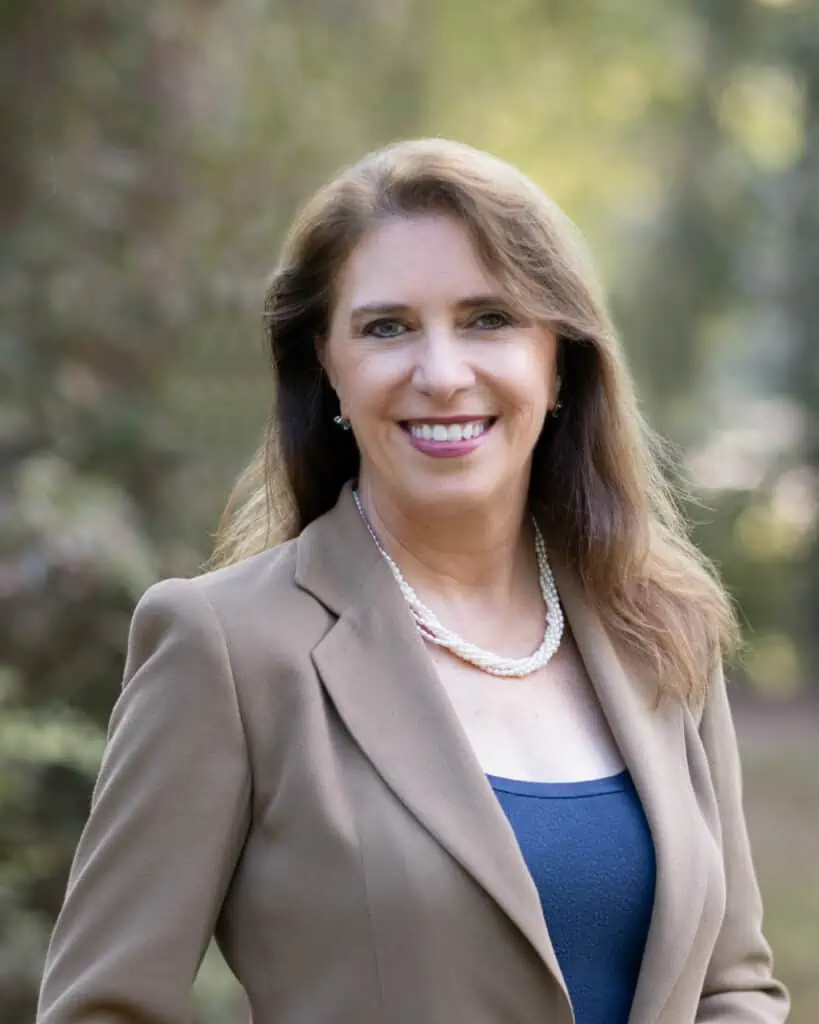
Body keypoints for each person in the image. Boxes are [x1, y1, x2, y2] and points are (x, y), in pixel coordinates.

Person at [37, 138, 789, 1024]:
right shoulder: (226, 650)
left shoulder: (660, 628)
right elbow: (104, 1009)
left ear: (559, 364)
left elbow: (730, 985)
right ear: (328, 368)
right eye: (386, 326)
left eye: (488, 319)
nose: (440, 374)